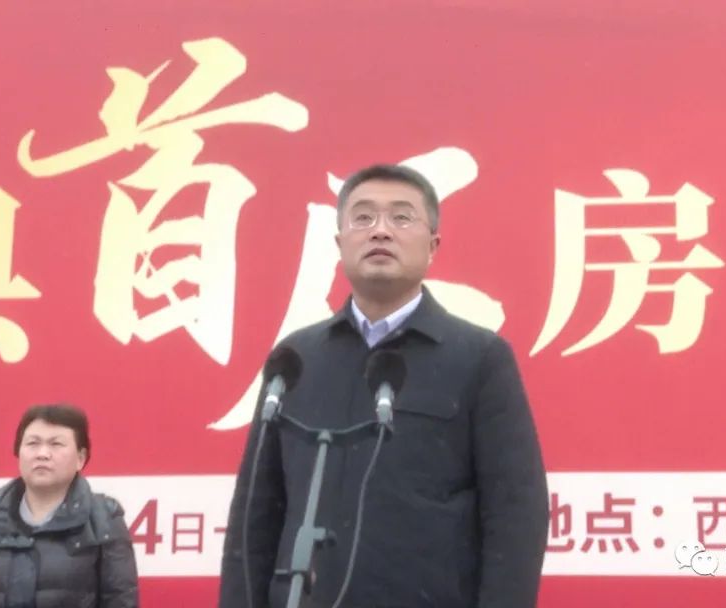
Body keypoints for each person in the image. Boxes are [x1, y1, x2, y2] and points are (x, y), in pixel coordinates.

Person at [220, 164, 549, 607]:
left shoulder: (479, 357)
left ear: (432, 246)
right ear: (340, 243)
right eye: (363, 217)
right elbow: (255, 514)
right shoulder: (296, 359)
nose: (380, 230)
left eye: (401, 217)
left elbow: (516, 511)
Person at [0, 404, 139, 608]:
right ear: (19, 453)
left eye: (56, 444)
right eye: (33, 443)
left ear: (80, 458)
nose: (42, 454)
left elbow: (121, 601)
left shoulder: (102, 520)